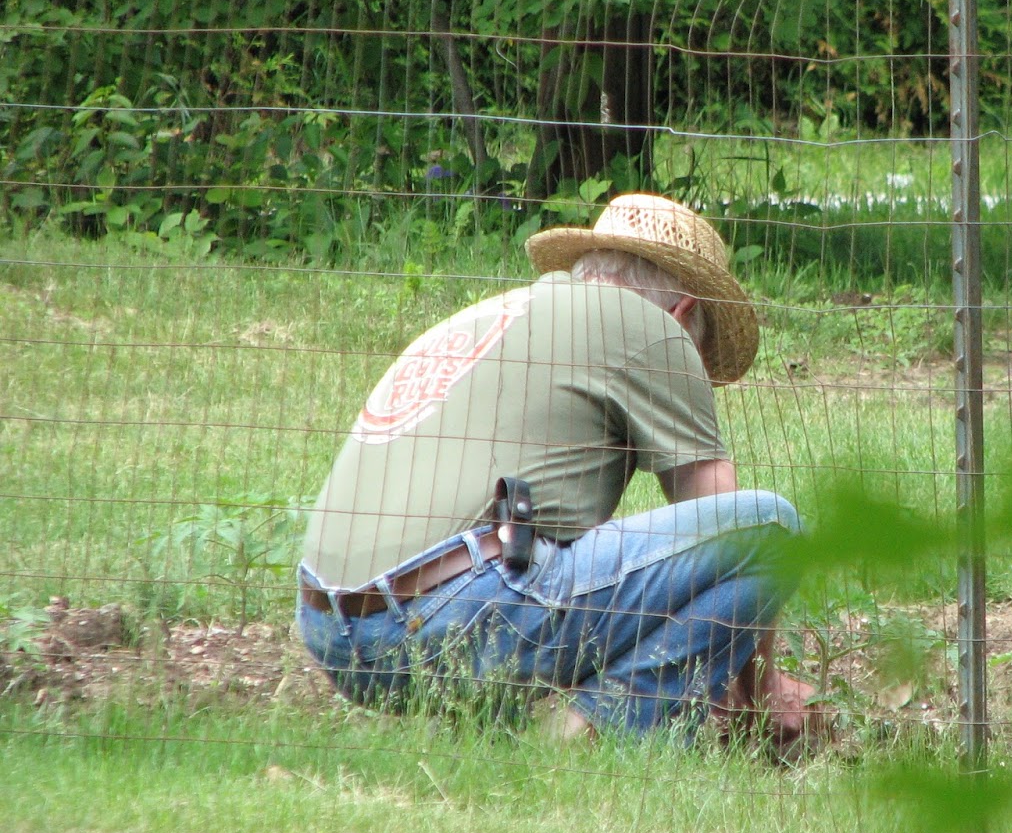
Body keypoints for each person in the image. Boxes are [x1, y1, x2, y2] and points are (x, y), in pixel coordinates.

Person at [297, 193, 818, 749]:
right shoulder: (651, 325)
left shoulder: (488, 316)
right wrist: (762, 689)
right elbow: (726, 518)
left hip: (332, 634)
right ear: (685, 312)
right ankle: (583, 727)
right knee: (773, 527)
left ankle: (514, 726)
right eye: (700, 352)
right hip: (448, 613)